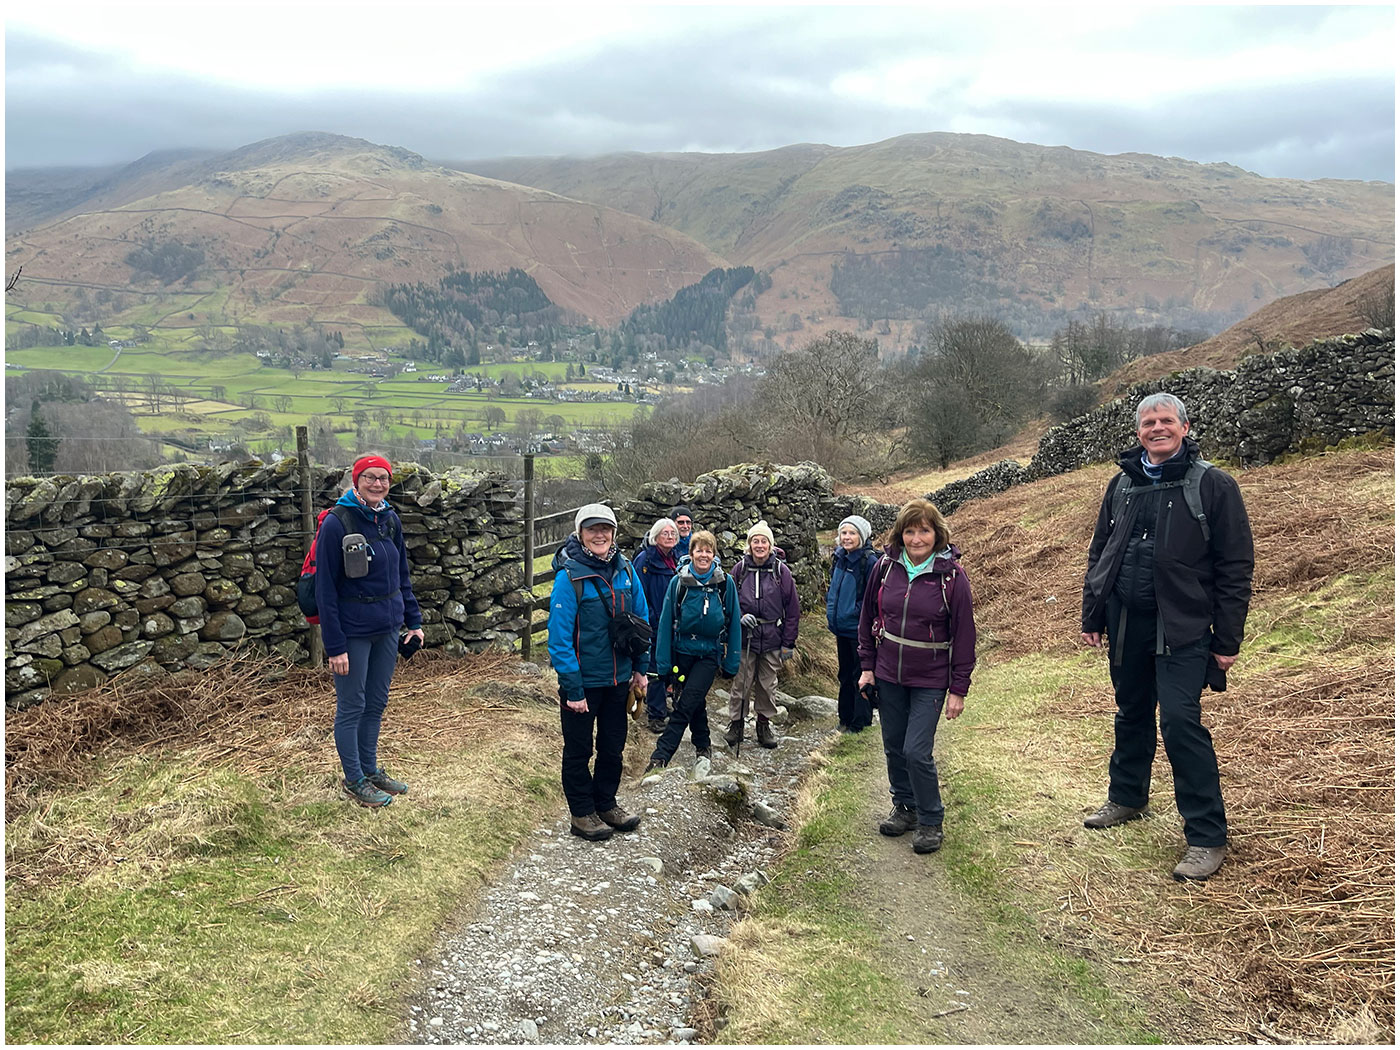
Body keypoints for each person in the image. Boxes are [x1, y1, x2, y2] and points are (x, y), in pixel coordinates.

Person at [1080, 392, 1254, 882]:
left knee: (1180, 723)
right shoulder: (1122, 483)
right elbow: (1101, 552)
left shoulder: (1213, 485)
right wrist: (1093, 614)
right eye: (1148, 422)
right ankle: (1126, 797)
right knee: (1131, 712)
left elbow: (1236, 566)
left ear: (1184, 427)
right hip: (1127, 622)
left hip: (1183, 626)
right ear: (1139, 433)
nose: (1157, 428)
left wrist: (1227, 640)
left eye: (1166, 420)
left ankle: (1206, 836)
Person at [857, 499, 976, 855]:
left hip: (931, 677)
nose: (916, 538)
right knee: (894, 745)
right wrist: (867, 667)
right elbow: (867, 619)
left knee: (916, 751)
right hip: (888, 673)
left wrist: (958, 689)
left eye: (924, 530)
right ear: (900, 533)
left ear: (937, 533)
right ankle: (905, 807)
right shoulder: (885, 568)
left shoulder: (952, 577)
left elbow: (965, 636)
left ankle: (930, 819)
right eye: (909, 531)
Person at [316, 454, 425, 808]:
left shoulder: (389, 519)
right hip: (353, 632)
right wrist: (335, 646)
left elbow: (402, 575)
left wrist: (413, 621)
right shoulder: (338, 522)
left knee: (376, 702)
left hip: (387, 628)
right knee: (352, 706)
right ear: (356, 480)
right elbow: (325, 590)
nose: (378, 484)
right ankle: (354, 780)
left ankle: (370, 769)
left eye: (384, 478)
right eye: (370, 477)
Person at [547, 503, 651, 841]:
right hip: (583, 683)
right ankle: (581, 813)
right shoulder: (569, 577)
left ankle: (606, 803)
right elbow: (559, 639)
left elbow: (641, 623)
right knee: (579, 750)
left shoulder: (626, 571)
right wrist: (573, 688)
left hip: (619, 679)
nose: (600, 535)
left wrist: (641, 670)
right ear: (580, 534)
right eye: (592, 529)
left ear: (614, 533)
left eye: (605, 529)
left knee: (612, 746)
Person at [646, 531, 741, 770]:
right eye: (699, 550)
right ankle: (703, 745)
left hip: (709, 654)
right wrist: (663, 664)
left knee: (684, 705)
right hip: (682, 653)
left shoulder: (724, 583)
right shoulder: (679, 582)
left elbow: (734, 623)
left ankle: (660, 756)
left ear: (714, 554)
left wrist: (732, 662)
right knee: (694, 701)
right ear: (691, 553)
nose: (704, 555)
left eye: (708, 551)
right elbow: (666, 623)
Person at [726, 520, 800, 750]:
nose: (759, 545)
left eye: (763, 541)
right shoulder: (740, 570)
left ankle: (763, 725)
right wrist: (740, 618)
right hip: (744, 637)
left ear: (770, 544)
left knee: (767, 685)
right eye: (755, 541)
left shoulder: (781, 571)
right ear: (749, 544)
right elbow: (728, 601)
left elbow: (792, 609)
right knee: (741, 682)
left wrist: (788, 643)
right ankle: (736, 724)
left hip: (772, 636)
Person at [826, 514, 879, 734]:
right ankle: (845, 718)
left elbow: (874, 598)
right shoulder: (839, 558)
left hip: (859, 630)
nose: (847, 537)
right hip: (842, 629)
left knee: (860, 675)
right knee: (845, 675)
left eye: (852, 533)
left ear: (862, 536)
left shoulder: (869, 562)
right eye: (844, 533)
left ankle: (860, 722)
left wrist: (856, 614)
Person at [634, 518, 682, 733]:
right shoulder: (645, 560)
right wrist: (652, 618)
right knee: (654, 667)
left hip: (673, 623)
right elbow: (639, 593)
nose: (670, 537)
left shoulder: (677, 558)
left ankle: (662, 705)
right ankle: (655, 714)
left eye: (673, 533)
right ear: (655, 536)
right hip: (654, 623)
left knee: (668, 665)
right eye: (665, 533)